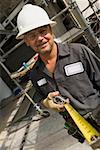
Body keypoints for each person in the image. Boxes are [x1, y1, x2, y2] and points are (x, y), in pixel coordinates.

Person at [16, 4, 100, 143]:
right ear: (26, 41)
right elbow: (43, 99)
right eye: (32, 36)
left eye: (43, 31)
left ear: (51, 30)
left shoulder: (79, 52)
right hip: (84, 131)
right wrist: (48, 104)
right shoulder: (35, 75)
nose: (40, 38)